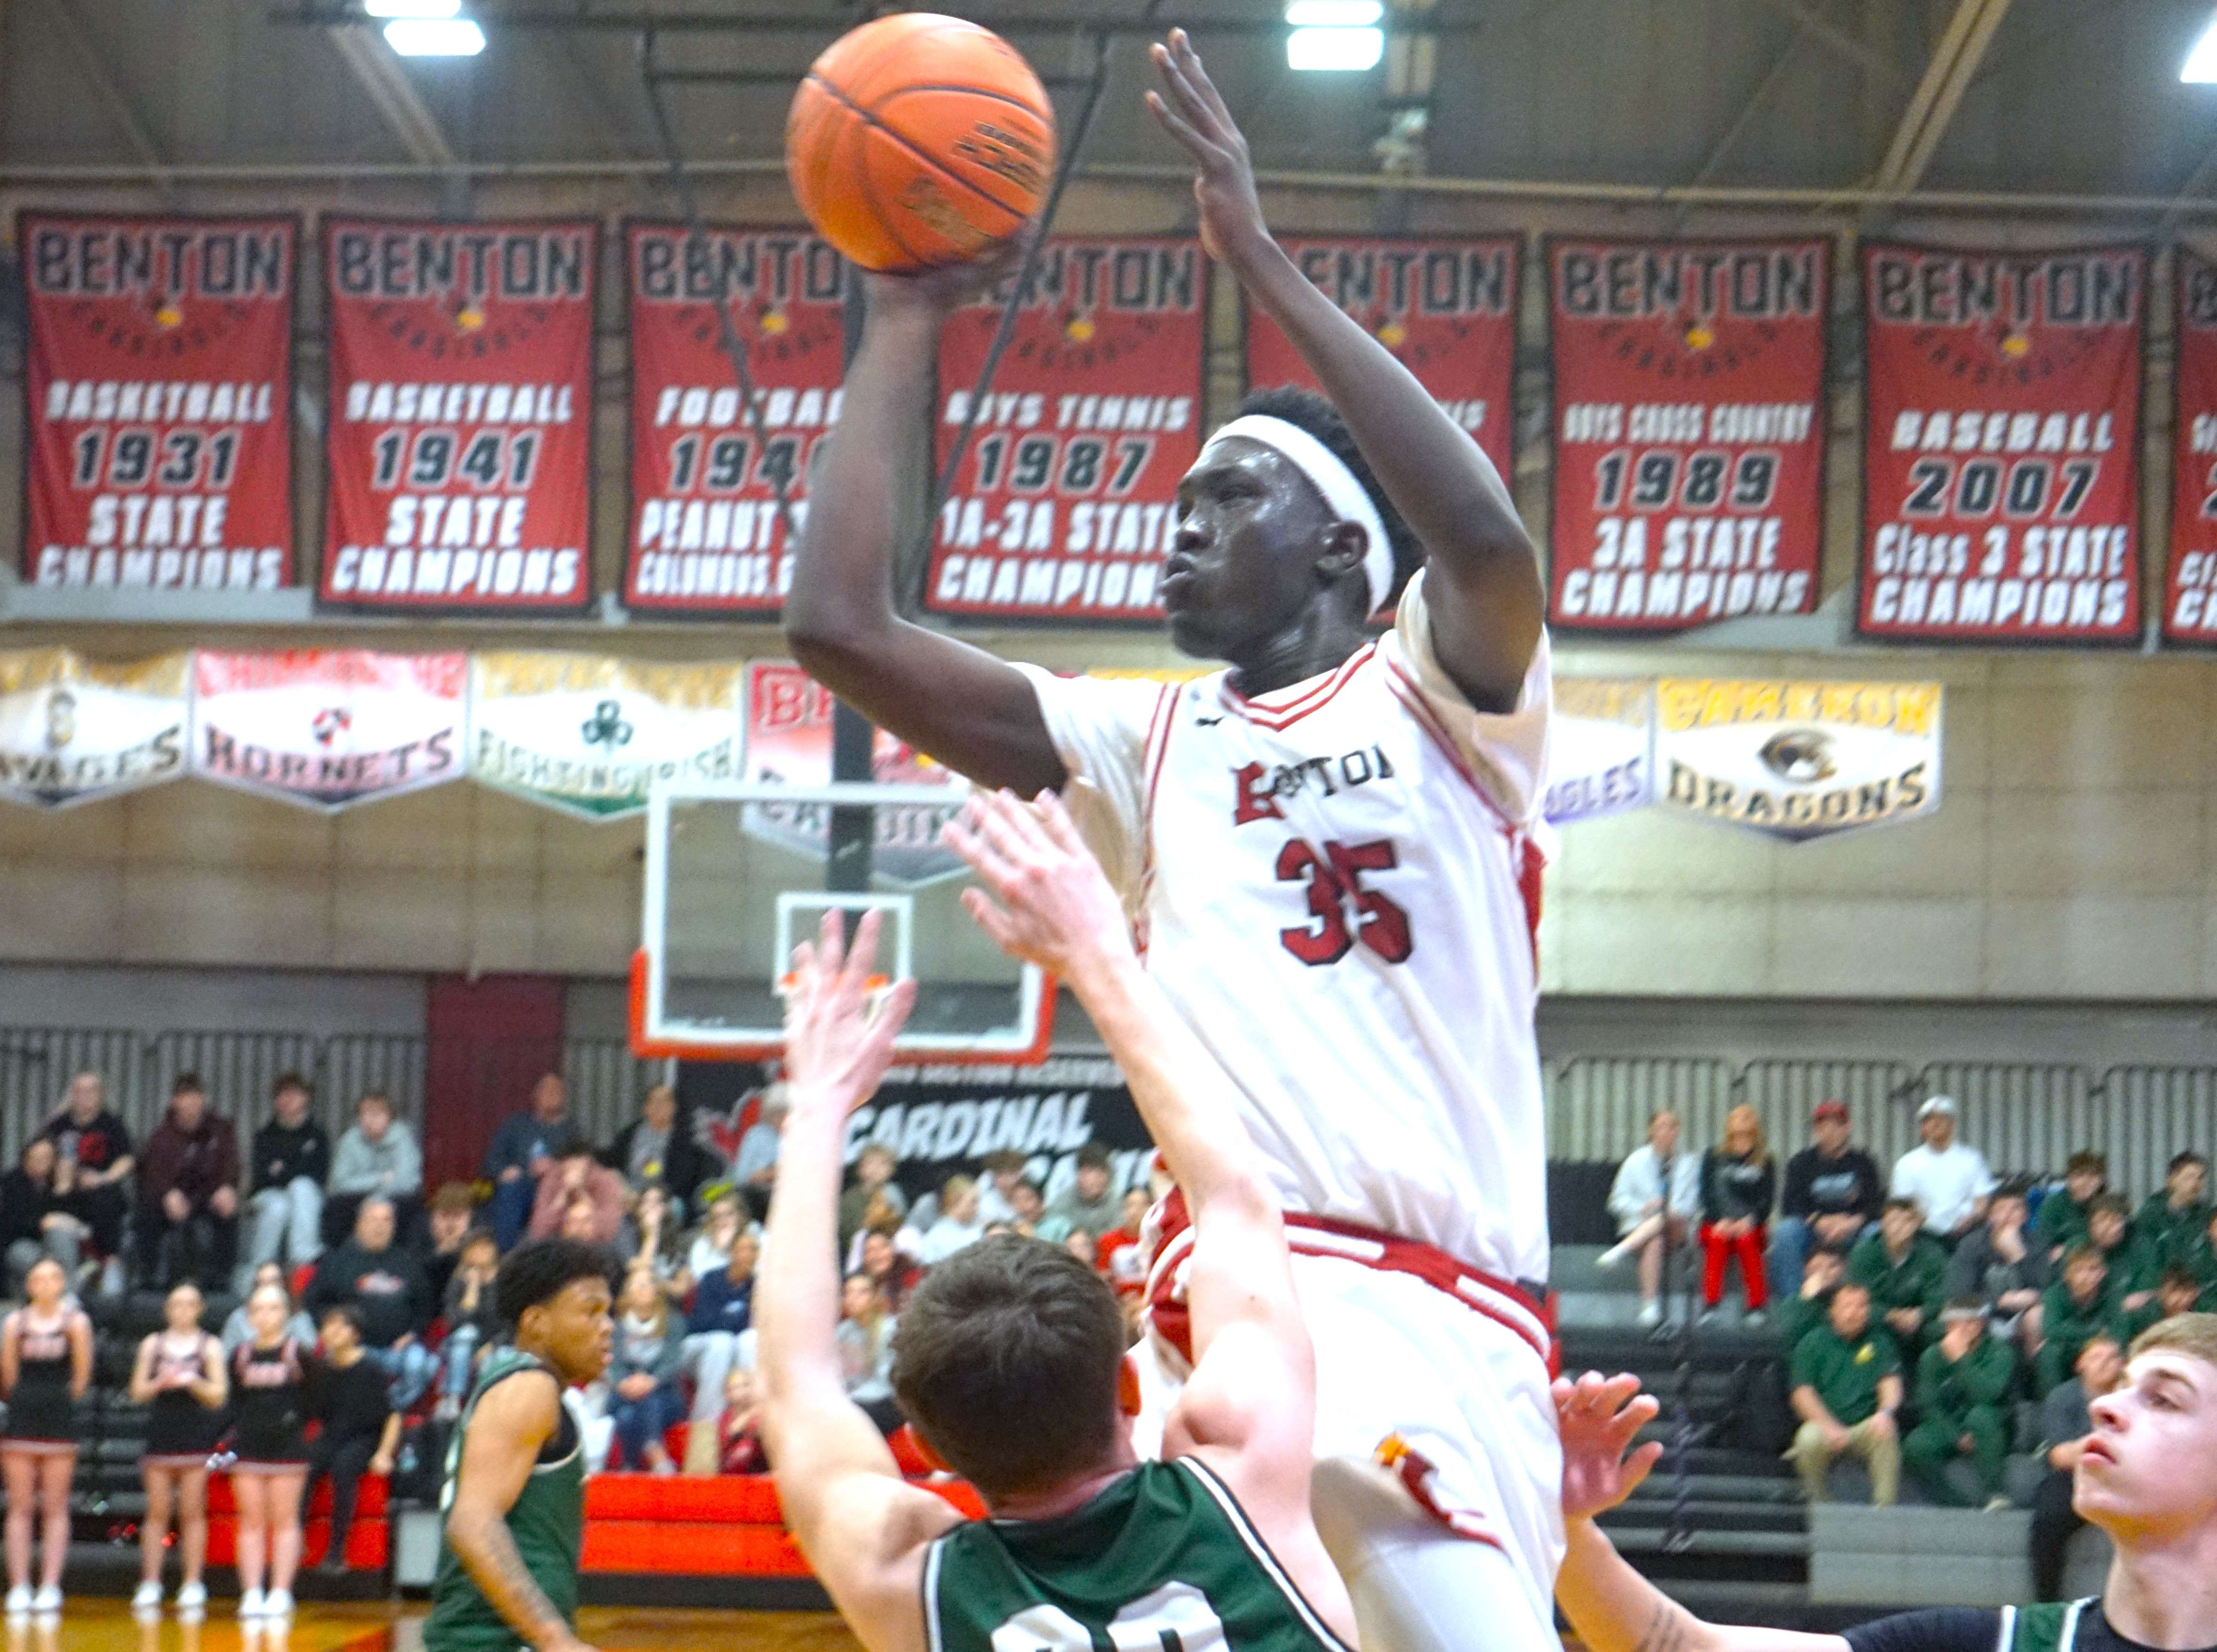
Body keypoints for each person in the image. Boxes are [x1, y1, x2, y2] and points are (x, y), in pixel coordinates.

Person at [789, 25, 1556, 1651]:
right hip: (1244, 1304)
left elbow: (1480, 535)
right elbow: (840, 624)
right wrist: (900, 311)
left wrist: (1259, 258)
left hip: (1453, 1308)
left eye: (1225, 500)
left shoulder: (1449, 691)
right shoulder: (1143, 742)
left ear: (1342, 550)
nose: (1176, 525)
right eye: (1176, 502)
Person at [757, 873, 1360, 1652]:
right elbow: (1235, 1198)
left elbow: (792, 1381)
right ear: (1129, 1384)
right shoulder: (1244, 1483)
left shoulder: (911, 1586)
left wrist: (815, 1109)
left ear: (930, 1452)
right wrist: (1097, 961)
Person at [1553, 1313, 2217, 1652]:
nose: (2105, 1404)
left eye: (2162, 1399)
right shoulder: (2007, 1643)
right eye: (2122, 1385)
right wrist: (1562, 1528)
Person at [424, 1238, 616, 1652]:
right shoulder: (529, 1387)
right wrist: (557, 1640)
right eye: (590, 1311)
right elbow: (473, 1523)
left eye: (608, 1311)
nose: (608, 1325)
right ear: (536, 1322)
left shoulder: (520, 1384)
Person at [0, 1257, 92, 1614]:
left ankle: (51, 1585)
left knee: (56, 1506)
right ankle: (20, 1584)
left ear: (62, 1283)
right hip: (22, 1418)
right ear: (28, 1285)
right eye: (38, 1278)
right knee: (20, 1506)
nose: (46, 1283)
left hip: (59, 1419)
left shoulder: (76, 1323)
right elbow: (8, 1374)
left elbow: (82, 1376)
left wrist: (58, 1400)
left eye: (53, 1277)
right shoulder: (14, 1323)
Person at [130, 1282, 226, 1613]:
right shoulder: (152, 1344)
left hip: (195, 1434)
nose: (182, 1310)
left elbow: (219, 1394)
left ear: (199, 1308)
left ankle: (193, 1582)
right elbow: (137, 1391)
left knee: (192, 1511)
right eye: (176, 1304)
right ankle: (150, 1581)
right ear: (167, 1309)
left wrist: (192, 1381)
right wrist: (161, 1381)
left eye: (189, 1304)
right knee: (157, 1511)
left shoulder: (209, 1345)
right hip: (161, 1432)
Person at [227, 1280, 316, 1618]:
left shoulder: (298, 1354)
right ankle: (251, 1592)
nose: (266, 1315)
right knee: (250, 1522)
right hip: (248, 1448)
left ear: (286, 1313)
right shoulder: (241, 1355)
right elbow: (234, 1400)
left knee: (284, 1521)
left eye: (274, 1307)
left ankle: (280, 1591)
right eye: (259, 1308)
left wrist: (292, 1422)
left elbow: (314, 1398)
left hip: (289, 1448)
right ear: (250, 1316)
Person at [306, 1196, 435, 1410]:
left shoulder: (407, 1262)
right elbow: (314, 1302)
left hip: (397, 1350)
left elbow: (425, 1306)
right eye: (373, 1220)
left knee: (427, 1365)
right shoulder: (337, 1261)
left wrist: (413, 1333)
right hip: (356, 1349)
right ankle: (377, 1414)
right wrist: (336, 1331)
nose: (380, 1227)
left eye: (387, 1221)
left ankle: (385, 1410)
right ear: (359, 1224)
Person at [1785, 1280, 1902, 1506]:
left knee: (1886, 1430)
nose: (1855, 1313)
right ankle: (1819, 1504)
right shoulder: (1813, 1342)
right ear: (1833, 1311)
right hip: (1824, 1425)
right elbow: (1802, 1394)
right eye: (1847, 1306)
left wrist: (1886, 1412)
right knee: (1807, 1439)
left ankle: (1885, 1510)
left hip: (1865, 1426)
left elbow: (1891, 1383)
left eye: (1861, 1307)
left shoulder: (1880, 1341)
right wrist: (1829, 1427)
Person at [2029, 1333, 2126, 1599]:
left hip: (2124, 1477)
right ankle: (2047, 1605)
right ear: (2080, 1364)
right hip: (2075, 1476)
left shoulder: (2132, 1397)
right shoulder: (2064, 1397)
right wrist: (2102, 1442)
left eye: (2112, 1358)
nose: (2105, 1363)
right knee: (2048, 1518)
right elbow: (2059, 1456)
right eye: (2097, 1357)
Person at [304, 1305, 401, 1575]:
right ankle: (297, 1541)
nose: (332, 1332)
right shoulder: (321, 1369)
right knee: (306, 1467)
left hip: (365, 1437)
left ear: (356, 1334)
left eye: (341, 1326)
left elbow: (393, 1416)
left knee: (344, 1469)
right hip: (332, 1434)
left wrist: (383, 1454)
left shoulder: (373, 1369)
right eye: (328, 1326)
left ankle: (336, 1553)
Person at [1903, 1299, 2016, 1510]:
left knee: (1981, 1416)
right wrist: (1956, 1436)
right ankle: (1953, 1504)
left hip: (1994, 1421)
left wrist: (1961, 1359)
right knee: (1915, 1445)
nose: (1962, 1329)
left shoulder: (2000, 1352)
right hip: (1951, 1423)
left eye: (1970, 1323)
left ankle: (1996, 1493)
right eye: (1954, 1324)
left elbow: (1989, 1396)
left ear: (1981, 1324)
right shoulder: (1933, 1356)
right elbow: (1928, 1405)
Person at [135, 1073, 241, 1290]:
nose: (192, 1102)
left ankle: (221, 1279)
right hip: (172, 1199)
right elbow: (151, 1173)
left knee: (229, 1211)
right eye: (185, 1097)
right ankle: (149, 1276)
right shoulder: (161, 1136)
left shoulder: (221, 1130)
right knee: (146, 1215)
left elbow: (232, 1163)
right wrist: (167, 1194)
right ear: (174, 1102)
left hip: (209, 1196)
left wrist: (227, 1187)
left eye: (196, 1096)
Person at [1771, 1100, 1883, 1300]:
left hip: (1853, 1230)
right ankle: (1795, 1303)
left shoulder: (1865, 1163)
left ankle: (1864, 1302)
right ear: (1815, 1130)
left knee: (1875, 1233)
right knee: (1786, 1231)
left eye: (1836, 1125)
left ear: (1847, 1128)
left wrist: (1850, 1223)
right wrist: (1819, 1221)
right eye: (1822, 1126)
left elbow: (1875, 1205)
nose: (1829, 1131)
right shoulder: (1801, 1162)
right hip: (1813, 1230)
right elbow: (1791, 1204)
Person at [1599, 1110, 1701, 1328]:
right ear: (1651, 1131)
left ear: (1678, 1132)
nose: (1667, 1131)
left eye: (1672, 1126)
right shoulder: (1635, 1161)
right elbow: (1616, 1201)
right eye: (1662, 1126)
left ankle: (1622, 1250)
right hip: (1641, 1226)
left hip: (1678, 1226)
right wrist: (1642, 1209)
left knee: (1666, 1218)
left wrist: (1671, 1210)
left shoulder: (1689, 1163)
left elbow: (1694, 1203)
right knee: (1654, 1239)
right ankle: (1650, 1306)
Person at [678, 1227, 760, 1466]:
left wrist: (748, 1313)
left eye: (753, 1250)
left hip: (731, 1353)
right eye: (742, 1249)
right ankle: (707, 1427)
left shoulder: (757, 1287)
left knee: (749, 1339)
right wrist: (737, 1320)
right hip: (698, 1349)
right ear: (732, 1253)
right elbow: (702, 1322)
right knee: (722, 1342)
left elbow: (757, 1326)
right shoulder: (712, 1279)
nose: (747, 1255)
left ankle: (747, 1416)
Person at [244, 1072, 330, 1293]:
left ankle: (303, 1260)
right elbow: (262, 1177)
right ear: (275, 1101)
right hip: (268, 1196)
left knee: (301, 1188)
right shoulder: (264, 1136)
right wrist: (297, 1168)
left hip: (305, 1196)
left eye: (295, 1094)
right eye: (283, 1095)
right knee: (279, 1206)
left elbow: (319, 1176)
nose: (289, 1100)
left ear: (306, 1098)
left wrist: (284, 1171)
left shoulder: (318, 1136)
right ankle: (261, 1269)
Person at [38, 1070, 134, 1266]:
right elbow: (38, 1155)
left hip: (100, 1191)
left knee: (107, 1199)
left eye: (91, 1091)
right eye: (80, 1091)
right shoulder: (57, 1125)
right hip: (63, 1190)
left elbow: (127, 1159)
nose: (85, 1096)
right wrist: (61, 1177)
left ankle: (107, 1262)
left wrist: (103, 1178)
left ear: (100, 1095)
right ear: (72, 1094)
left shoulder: (113, 1125)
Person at [1945, 1180, 2050, 1350]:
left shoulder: (2037, 1244)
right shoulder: (1971, 1245)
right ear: (1990, 1216)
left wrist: (2018, 1256)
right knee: (1960, 1317)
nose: (2009, 1215)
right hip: (1983, 1315)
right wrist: (2001, 1301)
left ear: (2025, 1216)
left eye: (2016, 1209)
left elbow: (2047, 1288)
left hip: (2022, 1317)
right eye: (2002, 1209)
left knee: (2039, 1316)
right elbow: (1958, 1295)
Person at [481, 1075, 578, 1251]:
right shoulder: (516, 1124)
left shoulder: (571, 1130)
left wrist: (555, 1168)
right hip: (522, 1185)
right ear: (535, 1095)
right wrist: (504, 1171)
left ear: (564, 1097)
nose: (552, 1095)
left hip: (557, 1188)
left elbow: (585, 1165)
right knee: (510, 1190)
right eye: (547, 1090)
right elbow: (491, 1162)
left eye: (557, 1091)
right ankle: (506, 1257)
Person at [1697, 1105, 1774, 1325]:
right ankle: (1710, 1306)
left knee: (1747, 1241)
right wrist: (1720, 1220)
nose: (1741, 1121)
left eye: (1747, 1117)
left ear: (1755, 1126)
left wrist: (1750, 1220)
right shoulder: (1713, 1157)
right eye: (1737, 1117)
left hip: (1751, 1225)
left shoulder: (1765, 1160)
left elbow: (1767, 1200)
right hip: (1717, 1223)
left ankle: (1756, 1307)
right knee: (1717, 1239)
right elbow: (1706, 1194)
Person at [607, 1266, 685, 1474]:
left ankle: (638, 1459)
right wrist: (623, 1382)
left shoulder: (673, 1322)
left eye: (647, 1283)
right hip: (624, 1393)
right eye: (637, 1284)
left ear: (656, 1290)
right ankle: (650, 1457)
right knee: (626, 1412)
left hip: (666, 1395)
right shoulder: (616, 1326)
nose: (642, 1288)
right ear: (628, 1293)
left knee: (644, 1402)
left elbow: (673, 1360)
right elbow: (613, 1363)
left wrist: (651, 1382)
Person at [1849, 1197, 1948, 1357]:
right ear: (1882, 1224)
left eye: (1907, 1221)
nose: (1899, 1227)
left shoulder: (1933, 1253)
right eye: (1893, 1220)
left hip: (1919, 1322)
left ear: (1918, 1224)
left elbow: (1940, 1296)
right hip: (1879, 1321)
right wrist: (1891, 1316)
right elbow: (1855, 1297)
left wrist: (1919, 1315)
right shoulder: (1864, 1254)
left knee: (1940, 1329)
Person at [1890, 1096, 1996, 1246]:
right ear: (1922, 1128)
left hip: (1966, 1234)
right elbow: (1903, 1205)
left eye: (1942, 1119)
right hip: (1922, 1237)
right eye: (1929, 1120)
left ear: (1952, 1125)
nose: (1935, 1124)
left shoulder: (1972, 1159)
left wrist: (1972, 1218)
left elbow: (1983, 1199)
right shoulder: (1907, 1164)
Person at [326, 1091, 425, 1249]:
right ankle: (340, 1255)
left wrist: (377, 1200)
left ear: (390, 1117)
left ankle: (403, 1256)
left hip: (395, 1198)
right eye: (365, 1113)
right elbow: (338, 1184)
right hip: (357, 1199)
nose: (370, 1119)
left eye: (377, 1113)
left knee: (410, 1204)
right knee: (337, 1206)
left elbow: (408, 1182)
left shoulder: (403, 1138)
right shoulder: (349, 1140)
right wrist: (380, 1179)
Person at [604, 1085, 714, 1217]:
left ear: (674, 1108)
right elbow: (611, 1166)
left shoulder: (685, 1141)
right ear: (646, 1107)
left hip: (665, 1198)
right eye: (654, 1101)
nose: (659, 1106)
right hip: (628, 1195)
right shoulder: (628, 1135)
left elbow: (683, 1181)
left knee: (675, 1207)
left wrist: (649, 1199)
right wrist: (624, 1192)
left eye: (665, 1102)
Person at [2036, 1244, 2129, 1398]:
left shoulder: (2113, 1293)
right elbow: (2051, 1329)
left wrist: (2093, 1345)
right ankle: (2053, 1401)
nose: (2086, 1276)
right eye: (2079, 1270)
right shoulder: (2054, 1294)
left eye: (2092, 1269)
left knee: (2120, 1352)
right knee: (2049, 1352)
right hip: (2071, 1350)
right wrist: (2096, 1332)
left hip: (2102, 1350)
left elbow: (2120, 1331)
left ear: (2102, 1273)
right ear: (2067, 1275)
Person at [0, 1139, 88, 1297]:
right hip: (20, 1243)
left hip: (56, 1246)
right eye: (36, 1157)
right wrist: (42, 1223)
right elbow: (12, 1223)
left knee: (60, 1234)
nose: (41, 1162)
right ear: (26, 1158)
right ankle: (67, 1295)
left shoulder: (58, 1181)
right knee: (40, 1261)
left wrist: (62, 1193)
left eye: (47, 1157)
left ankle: (65, 1298)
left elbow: (74, 1220)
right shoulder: (11, 1182)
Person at [440, 1231, 504, 1417]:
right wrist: (471, 1293)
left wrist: (492, 1346)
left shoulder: (504, 1281)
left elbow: (511, 1323)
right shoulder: (459, 1283)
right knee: (465, 1336)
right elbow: (453, 1323)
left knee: (493, 1360)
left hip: (498, 1342)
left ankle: (483, 1406)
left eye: (485, 1247)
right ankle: (452, 1400)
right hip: (461, 1344)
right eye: (475, 1248)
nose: (480, 1252)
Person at [835, 1273, 901, 1435]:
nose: (853, 1298)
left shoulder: (889, 1330)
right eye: (848, 1293)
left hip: (886, 1402)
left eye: (862, 1292)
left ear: (874, 1298)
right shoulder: (844, 1330)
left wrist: (846, 1400)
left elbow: (886, 1385)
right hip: (853, 1399)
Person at [527, 1143, 625, 1246]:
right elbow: (538, 1229)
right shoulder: (552, 1180)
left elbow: (608, 1228)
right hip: (558, 1241)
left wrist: (581, 1193)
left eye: (579, 1165)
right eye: (570, 1165)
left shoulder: (605, 1181)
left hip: (598, 1243)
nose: (575, 1170)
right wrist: (562, 1195)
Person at [2087, 1195, 2163, 1320]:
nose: (2108, 1228)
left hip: (2132, 1315)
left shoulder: (2142, 1246)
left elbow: (2149, 1288)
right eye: (2101, 1221)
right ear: (2091, 1225)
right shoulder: (2081, 1247)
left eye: (2115, 1221)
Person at [223, 1262, 317, 1355]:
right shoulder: (238, 1318)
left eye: (274, 1281)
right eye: (261, 1282)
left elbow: (310, 1352)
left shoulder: (299, 1316)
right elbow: (226, 1357)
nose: (268, 1286)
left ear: (284, 1284)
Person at [2137, 1151, 2211, 1265]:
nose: (2196, 1183)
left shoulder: (2206, 1215)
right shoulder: (2151, 1214)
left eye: (2200, 1178)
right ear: (2172, 1180)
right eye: (2189, 1177)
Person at [2037, 1150, 2111, 1261]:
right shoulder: (2055, 1205)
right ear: (2069, 1179)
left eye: (2093, 1176)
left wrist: (2069, 1247)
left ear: (2101, 1180)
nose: (2086, 1182)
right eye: (2080, 1175)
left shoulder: (2109, 1205)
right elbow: (2042, 1245)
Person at [1042, 1142, 1122, 1242]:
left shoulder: (1118, 1203)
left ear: (1106, 1175)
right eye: (1083, 1172)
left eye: (1090, 1172)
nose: (1083, 1179)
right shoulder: (1065, 1199)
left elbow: (1116, 1239)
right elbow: (1049, 1230)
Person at [837, 1144, 906, 1258]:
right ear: (860, 1169)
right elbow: (847, 1235)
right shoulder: (850, 1199)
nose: (876, 1169)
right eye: (871, 1164)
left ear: (891, 1170)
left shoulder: (894, 1194)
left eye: (882, 1164)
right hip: (860, 1254)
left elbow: (901, 1222)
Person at [1778, 1248, 1847, 1356]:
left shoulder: (1852, 1299)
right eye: (1817, 1268)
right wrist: (1806, 1301)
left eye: (1832, 1266)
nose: (1824, 1273)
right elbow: (1788, 1337)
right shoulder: (1794, 1303)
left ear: (1842, 1269)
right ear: (1806, 1272)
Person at [733, 1092, 787, 1222]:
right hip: (759, 1196)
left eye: (784, 1112)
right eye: (776, 1113)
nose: (780, 1118)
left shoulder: (803, 1135)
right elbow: (742, 1177)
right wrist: (772, 1173)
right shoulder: (756, 1135)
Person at [424, 1183, 479, 1304]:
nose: (451, 1223)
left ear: (469, 1217)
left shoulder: (478, 1245)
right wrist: (440, 1254)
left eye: (457, 1216)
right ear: (434, 1216)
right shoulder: (420, 1241)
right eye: (445, 1215)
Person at [915, 1174, 985, 1264]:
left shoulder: (973, 1226)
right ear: (955, 1201)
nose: (977, 1208)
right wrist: (983, 1231)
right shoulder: (937, 1236)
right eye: (973, 1202)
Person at [717, 1368, 768, 1475]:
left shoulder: (763, 1413)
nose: (744, 1391)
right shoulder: (726, 1417)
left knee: (747, 1448)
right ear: (728, 1394)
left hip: (761, 1470)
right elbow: (729, 1435)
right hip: (730, 1473)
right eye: (737, 1388)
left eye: (746, 1385)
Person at [972, 1149, 1031, 1227]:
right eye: (1000, 1174)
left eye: (1014, 1172)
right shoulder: (987, 1204)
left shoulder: (1032, 1191)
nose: (1014, 1179)